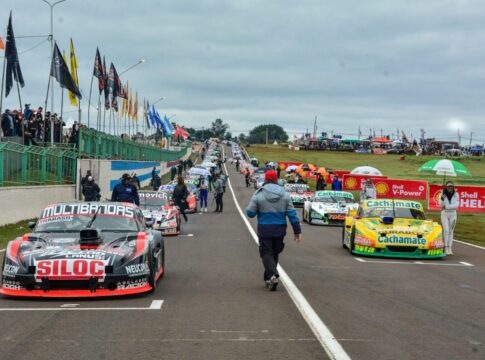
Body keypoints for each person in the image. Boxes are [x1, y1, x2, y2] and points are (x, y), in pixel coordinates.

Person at [246, 170, 302, 291]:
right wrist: (297, 230)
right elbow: (292, 213)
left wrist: (258, 208)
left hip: (265, 229)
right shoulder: (285, 195)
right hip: (280, 229)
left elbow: (250, 213)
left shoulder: (258, 194)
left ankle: (272, 275)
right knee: (274, 253)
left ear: (265, 180)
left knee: (266, 253)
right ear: (277, 180)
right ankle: (268, 277)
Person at [440, 181, 460, 255]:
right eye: (448, 186)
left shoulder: (456, 194)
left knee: (451, 231)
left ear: (453, 187)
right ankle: (445, 247)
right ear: (446, 187)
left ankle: (449, 247)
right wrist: (442, 199)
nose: (450, 187)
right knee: (446, 230)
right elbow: (441, 205)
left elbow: (456, 205)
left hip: (453, 214)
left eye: (451, 186)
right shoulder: (442, 194)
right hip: (444, 214)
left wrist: (447, 207)